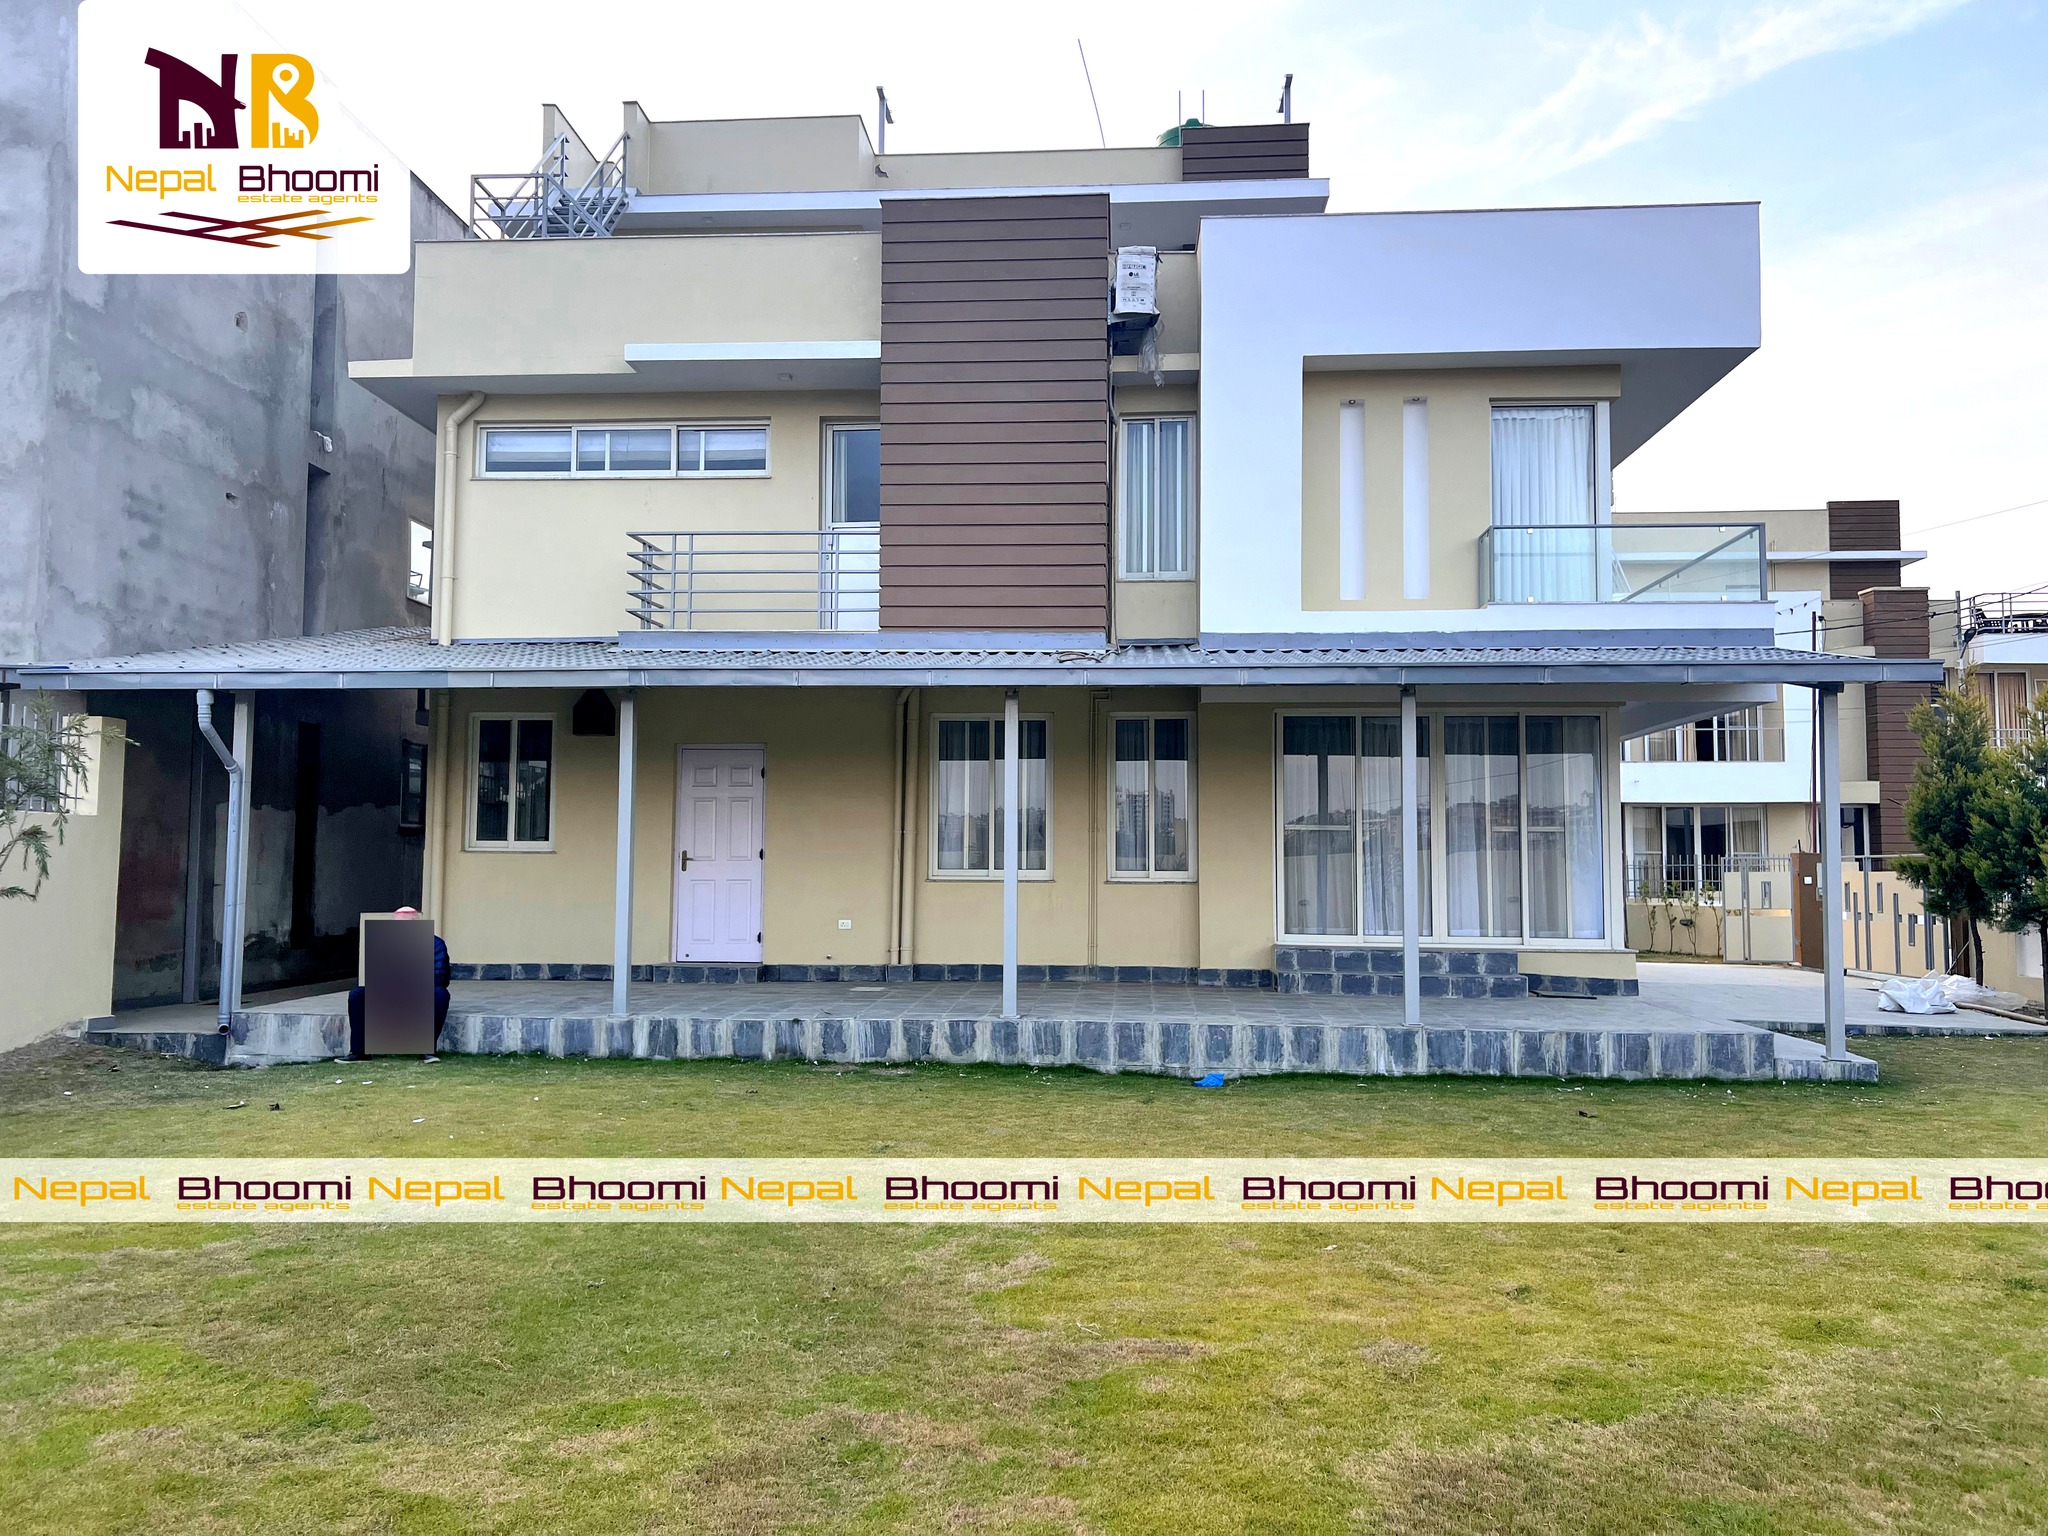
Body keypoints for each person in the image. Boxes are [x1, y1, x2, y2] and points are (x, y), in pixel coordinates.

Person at [346, 907, 451, 1057]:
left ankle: (426, 1050)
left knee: (441, 994)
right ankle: (358, 1052)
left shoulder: (436, 944)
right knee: (357, 995)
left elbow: (441, 976)